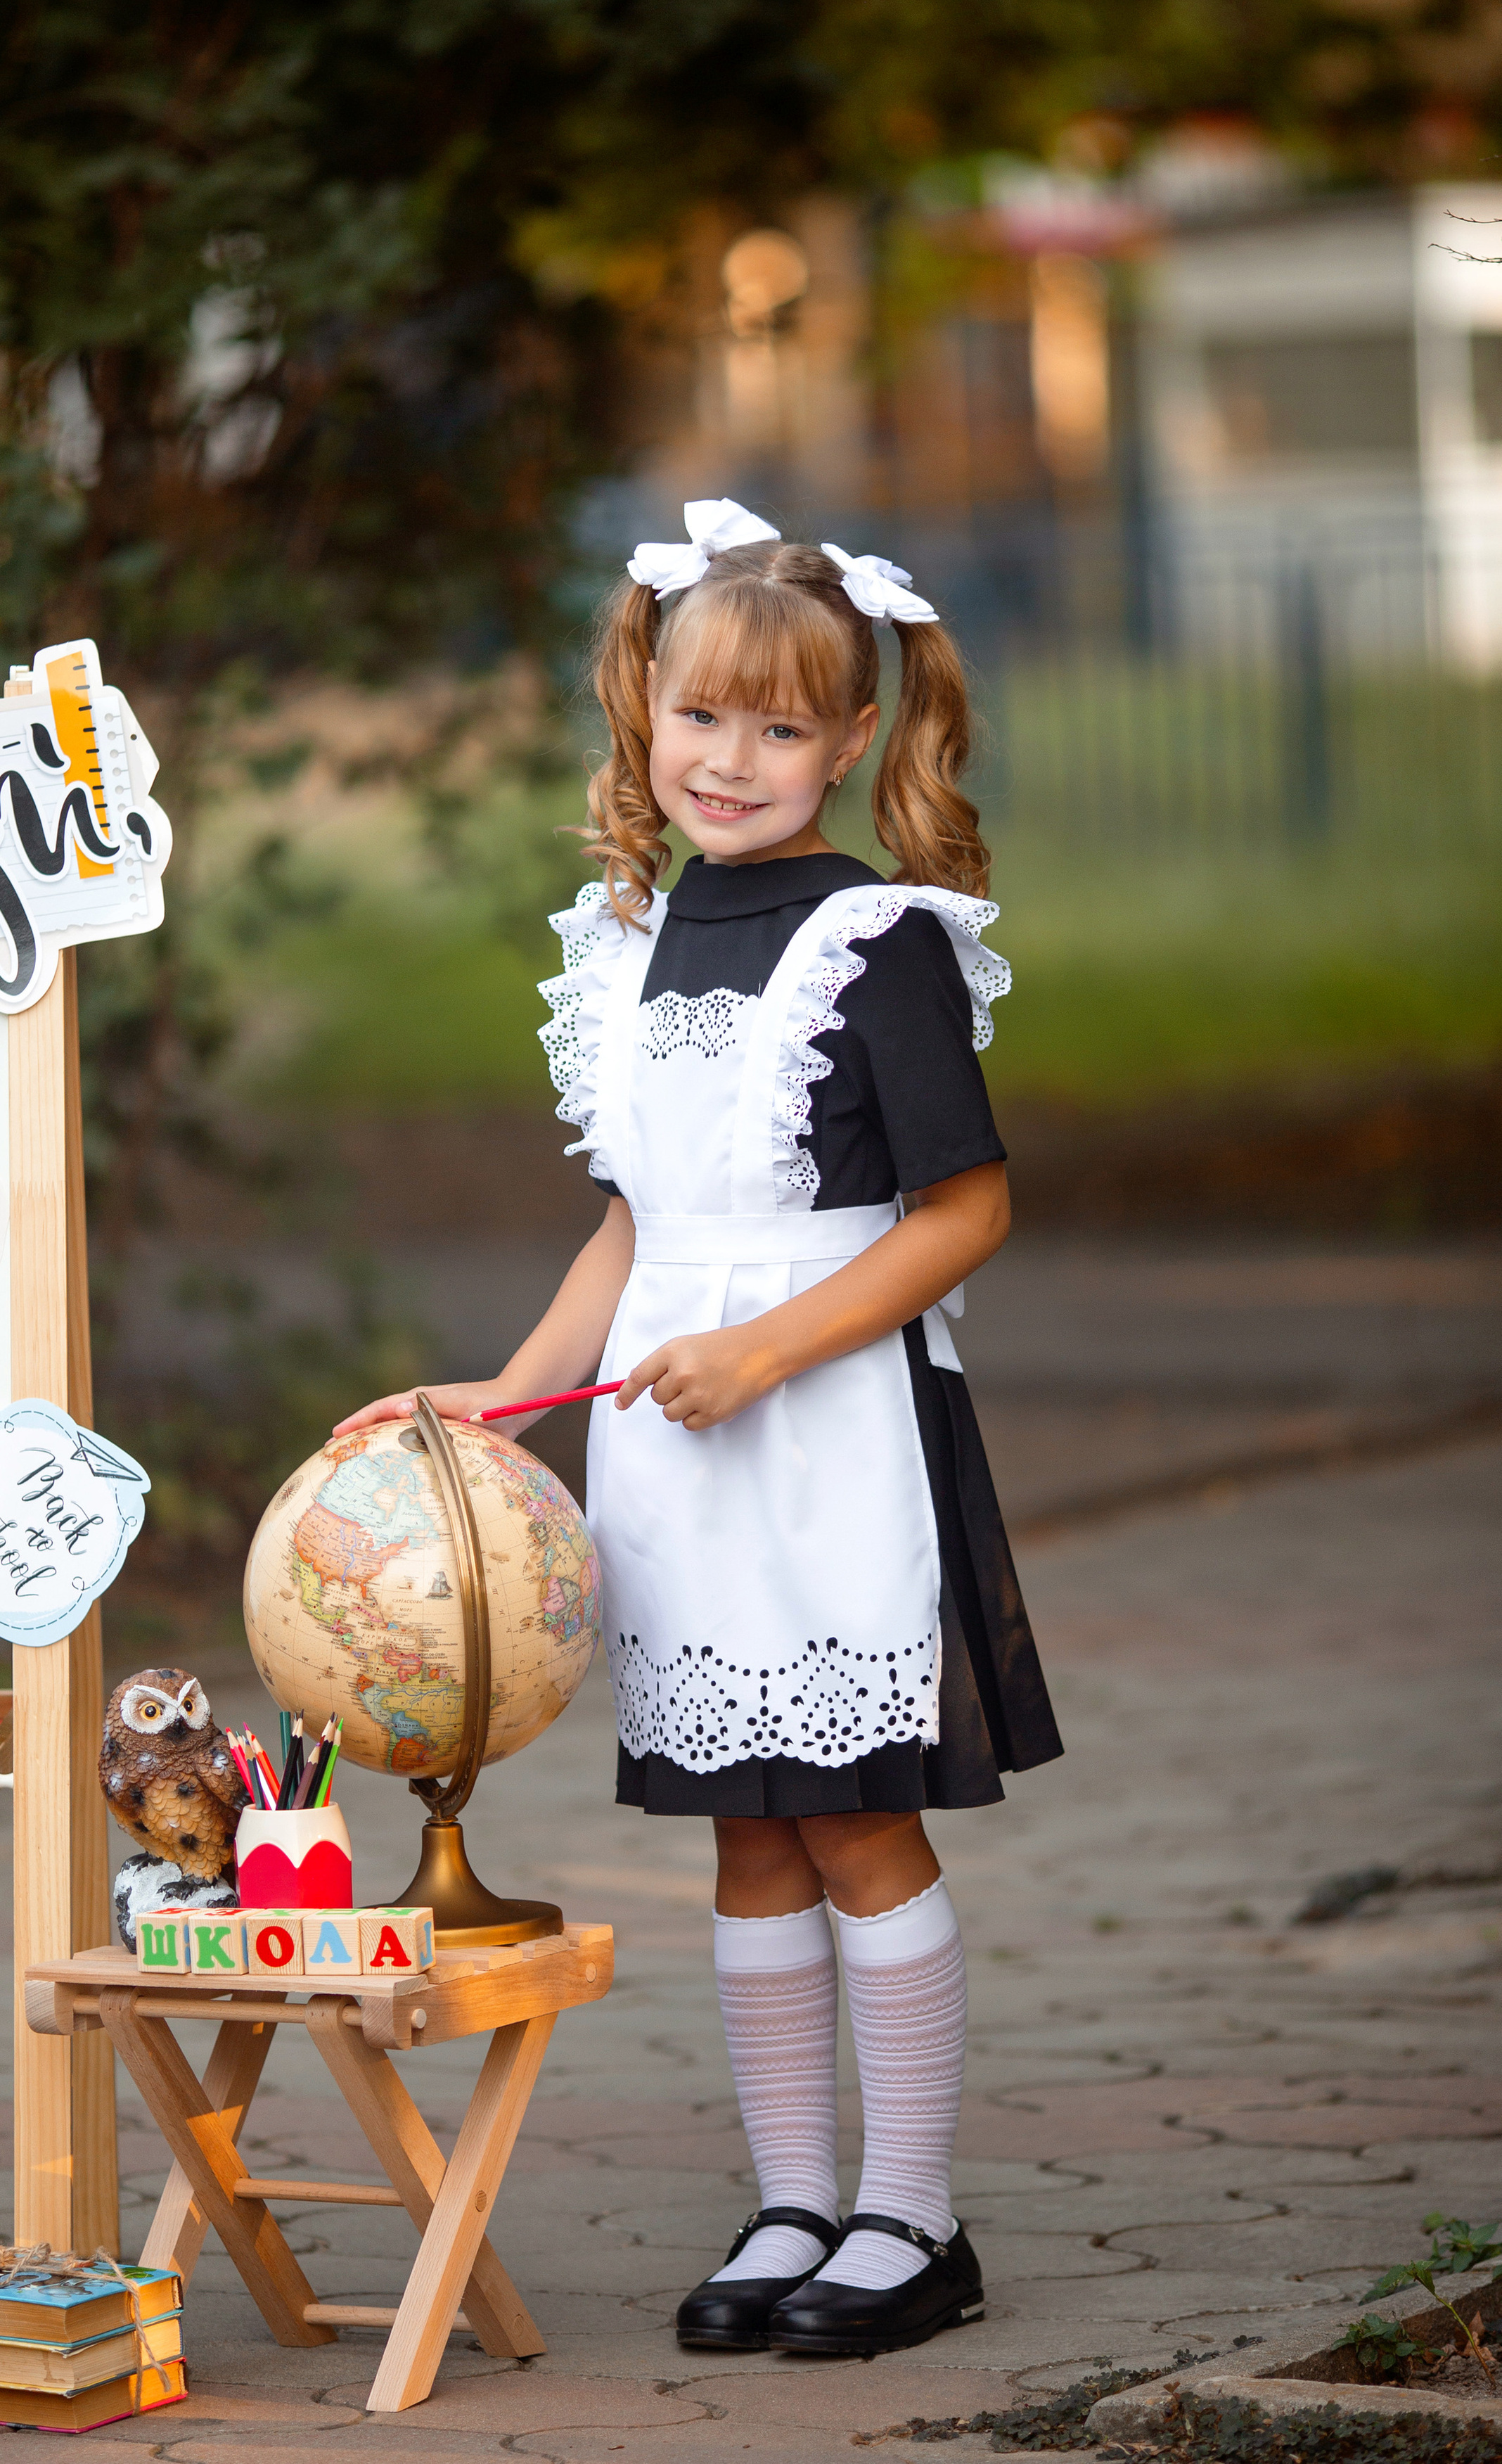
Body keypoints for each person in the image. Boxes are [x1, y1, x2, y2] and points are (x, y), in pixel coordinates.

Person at [336, 499, 1063, 2358]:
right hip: (671, 1445)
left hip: (831, 1440)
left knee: (853, 1825)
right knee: (745, 1838)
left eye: (782, 728)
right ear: (641, 711)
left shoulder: (874, 941)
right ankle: (794, 2204)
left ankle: (915, 2218)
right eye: (701, 719)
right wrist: (486, 1402)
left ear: (845, 743)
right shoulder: (628, 942)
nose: (732, 761)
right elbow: (634, 1235)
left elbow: (962, 1213)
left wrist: (765, 1356)